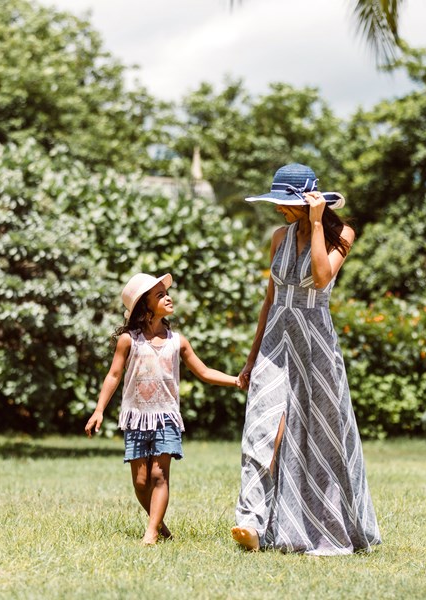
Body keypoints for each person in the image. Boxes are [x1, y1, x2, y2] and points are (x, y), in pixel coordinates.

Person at [232, 163, 381, 555]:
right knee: (264, 427)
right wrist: (251, 359)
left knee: (320, 436)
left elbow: (319, 278)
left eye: (286, 203)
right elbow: (270, 299)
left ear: (308, 201)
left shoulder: (341, 234)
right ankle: (251, 522)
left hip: (315, 345)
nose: (279, 210)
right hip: (275, 342)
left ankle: (323, 525)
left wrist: (316, 224)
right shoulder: (279, 237)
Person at [85, 272, 240, 545]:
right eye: (159, 295)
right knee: (142, 482)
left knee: (159, 474)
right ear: (145, 306)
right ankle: (161, 527)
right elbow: (113, 376)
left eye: (166, 293)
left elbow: (203, 371)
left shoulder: (177, 341)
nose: (168, 297)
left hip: (166, 415)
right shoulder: (129, 341)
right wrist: (99, 410)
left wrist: (236, 381)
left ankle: (151, 532)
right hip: (136, 417)